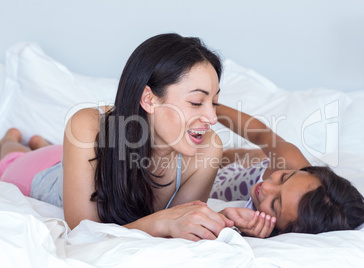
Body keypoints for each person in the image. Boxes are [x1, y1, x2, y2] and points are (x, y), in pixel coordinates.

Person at [0, 33, 235, 242]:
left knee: (52, 149)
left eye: (213, 103)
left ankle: (41, 144)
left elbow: (181, 226)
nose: (212, 118)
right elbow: (83, 231)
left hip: (78, 158)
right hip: (45, 172)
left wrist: (220, 220)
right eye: (196, 102)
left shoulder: (209, 147)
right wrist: (162, 222)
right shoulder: (87, 125)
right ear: (149, 99)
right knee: (10, 157)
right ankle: (11, 140)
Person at [212, 104, 364, 238]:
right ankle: (243, 155)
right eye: (284, 177)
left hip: (222, 190)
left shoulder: (274, 232)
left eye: (275, 203)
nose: (267, 187)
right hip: (239, 173)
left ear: (285, 230)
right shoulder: (290, 162)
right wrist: (210, 106)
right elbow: (260, 133)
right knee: (260, 155)